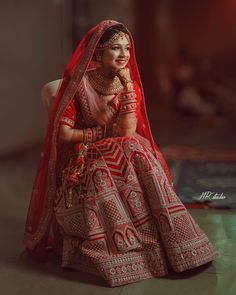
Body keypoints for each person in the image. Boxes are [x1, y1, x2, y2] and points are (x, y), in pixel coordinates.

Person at [24, 20, 219, 287]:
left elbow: (126, 131)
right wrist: (99, 135)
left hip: (124, 150)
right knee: (117, 160)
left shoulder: (129, 85)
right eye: (115, 48)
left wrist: (127, 84)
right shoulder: (78, 87)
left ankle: (170, 243)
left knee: (136, 149)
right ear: (98, 53)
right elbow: (65, 135)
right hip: (85, 156)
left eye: (127, 48)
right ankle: (125, 252)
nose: (124, 54)